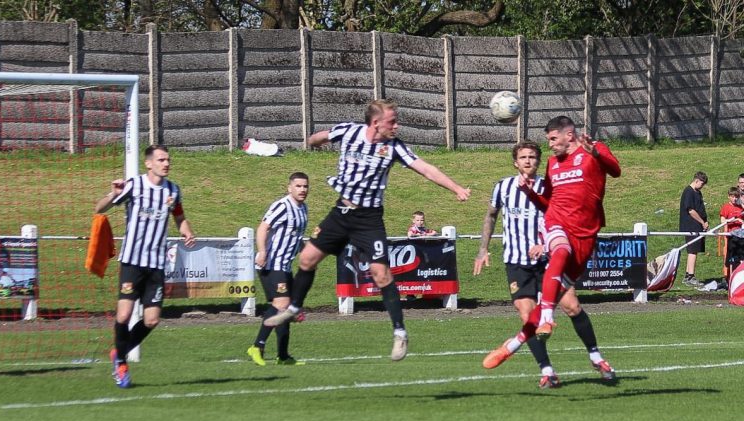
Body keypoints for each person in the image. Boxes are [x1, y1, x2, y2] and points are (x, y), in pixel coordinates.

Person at [263, 99, 470, 361]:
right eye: (392, 121)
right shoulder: (349, 131)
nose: (397, 125)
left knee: (381, 274)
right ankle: (293, 308)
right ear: (376, 123)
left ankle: (400, 333)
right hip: (341, 213)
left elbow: (426, 169)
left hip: (368, 219)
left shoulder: (394, 147)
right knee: (307, 259)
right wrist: (315, 141)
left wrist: (456, 188)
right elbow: (321, 137)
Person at [482, 116, 621, 382]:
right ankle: (546, 354)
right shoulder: (552, 164)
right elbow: (550, 205)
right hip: (555, 229)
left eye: (553, 139)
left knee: (569, 303)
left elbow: (616, 171)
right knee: (558, 250)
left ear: (569, 135)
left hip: (585, 235)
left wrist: (597, 155)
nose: (550, 145)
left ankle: (514, 344)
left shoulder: (593, 149)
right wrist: (531, 194)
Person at [94, 144, 196, 388]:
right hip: (132, 261)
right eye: (161, 160)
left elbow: (179, 217)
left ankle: (119, 351)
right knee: (124, 314)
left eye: (168, 159)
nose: (166, 163)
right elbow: (99, 209)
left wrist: (186, 231)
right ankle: (121, 364)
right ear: (149, 163)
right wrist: (112, 194)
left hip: (156, 264)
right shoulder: (134, 185)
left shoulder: (173, 190)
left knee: (151, 320)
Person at [247, 172, 309, 366]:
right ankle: (257, 346)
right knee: (281, 305)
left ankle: (283, 356)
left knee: (287, 309)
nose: (302, 190)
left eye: (305, 186)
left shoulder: (303, 209)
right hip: (271, 264)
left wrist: (308, 252)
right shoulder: (282, 206)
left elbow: (295, 238)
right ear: (289, 187)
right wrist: (262, 251)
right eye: (298, 186)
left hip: (285, 266)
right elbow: (263, 228)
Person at [679, 171, 709, 286]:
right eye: (702, 184)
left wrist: (705, 221)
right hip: (691, 226)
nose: (702, 186)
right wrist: (702, 222)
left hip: (699, 226)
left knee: (694, 250)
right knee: (692, 250)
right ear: (696, 180)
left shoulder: (698, 192)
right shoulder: (688, 192)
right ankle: (691, 276)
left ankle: (687, 275)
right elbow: (690, 210)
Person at [720, 186, 743, 278]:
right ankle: (730, 277)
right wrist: (734, 220)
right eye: (733, 196)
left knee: (741, 257)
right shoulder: (726, 207)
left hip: (741, 236)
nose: (735, 199)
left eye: (736, 197)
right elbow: (722, 220)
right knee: (733, 258)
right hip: (731, 236)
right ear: (729, 196)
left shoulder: (740, 207)